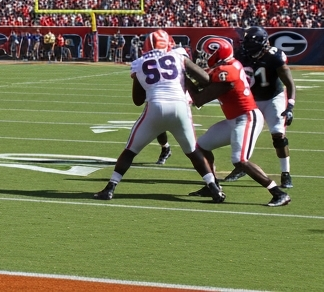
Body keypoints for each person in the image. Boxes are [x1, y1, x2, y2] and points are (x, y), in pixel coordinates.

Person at [93, 30, 223, 203]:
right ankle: (214, 187)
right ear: (169, 43)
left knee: (130, 150)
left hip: (155, 107)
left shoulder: (140, 62)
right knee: (192, 151)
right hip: (180, 106)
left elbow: (137, 100)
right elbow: (205, 78)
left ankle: (110, 188)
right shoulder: (178, 55)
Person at [187, 37, 289, 207]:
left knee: (240, 160)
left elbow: (199, 99)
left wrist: (184, 75)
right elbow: (205, 78)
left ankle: (278, 193)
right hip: (233, 120)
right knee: (201, 146)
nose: (203, 57)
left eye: (207, 54)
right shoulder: (227, 66)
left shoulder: (227, 71)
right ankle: (212, 184)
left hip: (247, 118)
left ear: (218, 54)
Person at [228, 26, 296, 189]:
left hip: (274, 97)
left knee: (278, 136)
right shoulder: (241, 54)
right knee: (241, 133)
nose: (247, 47)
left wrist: (290, 105)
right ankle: (241, 166)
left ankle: (285, 173)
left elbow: (289, 83)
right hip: (252, 99)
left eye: (251, 43)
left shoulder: (275, 56)